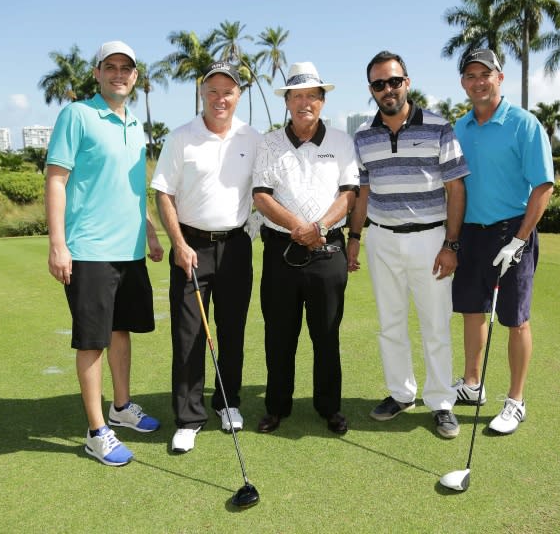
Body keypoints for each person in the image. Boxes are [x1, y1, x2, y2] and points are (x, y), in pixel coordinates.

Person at [45, 41, 164, 467]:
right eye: (110, 67)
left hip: (128, 250)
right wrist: (58, 244)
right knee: (93, 341)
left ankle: (121, 406)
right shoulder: (77, 115)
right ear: (97, 73)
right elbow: (56, 179)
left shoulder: (134, 124)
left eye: (126, 68)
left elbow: (131, 190)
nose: (119, 74)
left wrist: (149, 232)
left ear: (135, 76)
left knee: (121, 331)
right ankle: (97, 431)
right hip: (89, 250)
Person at [347, 50, 468, 439]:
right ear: (371, 90)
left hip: (430, 238)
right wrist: (355, 237)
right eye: (379, 84)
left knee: (435, 325)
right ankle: (401, 393)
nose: (388, 89)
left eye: (394, 81)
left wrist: (451, 244)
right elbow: (363, 192)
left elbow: (456, 188)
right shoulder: (363, 136)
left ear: (407, 83)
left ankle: (441, 402)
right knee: (391, 323)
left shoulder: (438, 127)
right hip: (381, 238)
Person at [151, 61, 262, 453]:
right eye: (213, 90)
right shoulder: (182, 137)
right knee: (188, 336)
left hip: (235, 247)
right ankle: (188, 417)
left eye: (227, 91)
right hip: (191, 247)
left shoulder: (253, 137)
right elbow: (163, 192)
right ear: (202, 93)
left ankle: (227, 402)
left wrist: (253, 227)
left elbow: (263, 190)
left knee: (232, 332)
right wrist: (178, 242)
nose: (220, 98)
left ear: (238, 96)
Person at [451, 49, 554, 434]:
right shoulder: (459, 127)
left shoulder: (524, 124)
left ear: (500, 77)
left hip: (512, 230)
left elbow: (543, 185)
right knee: (472, 311)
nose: (478, 81)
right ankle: (472, 385)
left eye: (485, 74)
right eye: (470, 75)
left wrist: (519, 239)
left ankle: (515, 401)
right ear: (463, 82)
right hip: (471, 232)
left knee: (514, 318)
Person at [253, 62, 359, 436]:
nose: (304, 103)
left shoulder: (342, 142)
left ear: (322, 100)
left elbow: (349, 193)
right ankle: (277, 406)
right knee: (279, 336)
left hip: (327, 251)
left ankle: (329, 407)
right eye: (296, 96)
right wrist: (298, 227)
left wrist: (321, 227)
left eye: (312, 96)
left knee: (326, 335)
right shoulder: (269, 143)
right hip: (281, 252)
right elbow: (261, 196)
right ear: (287, 102)